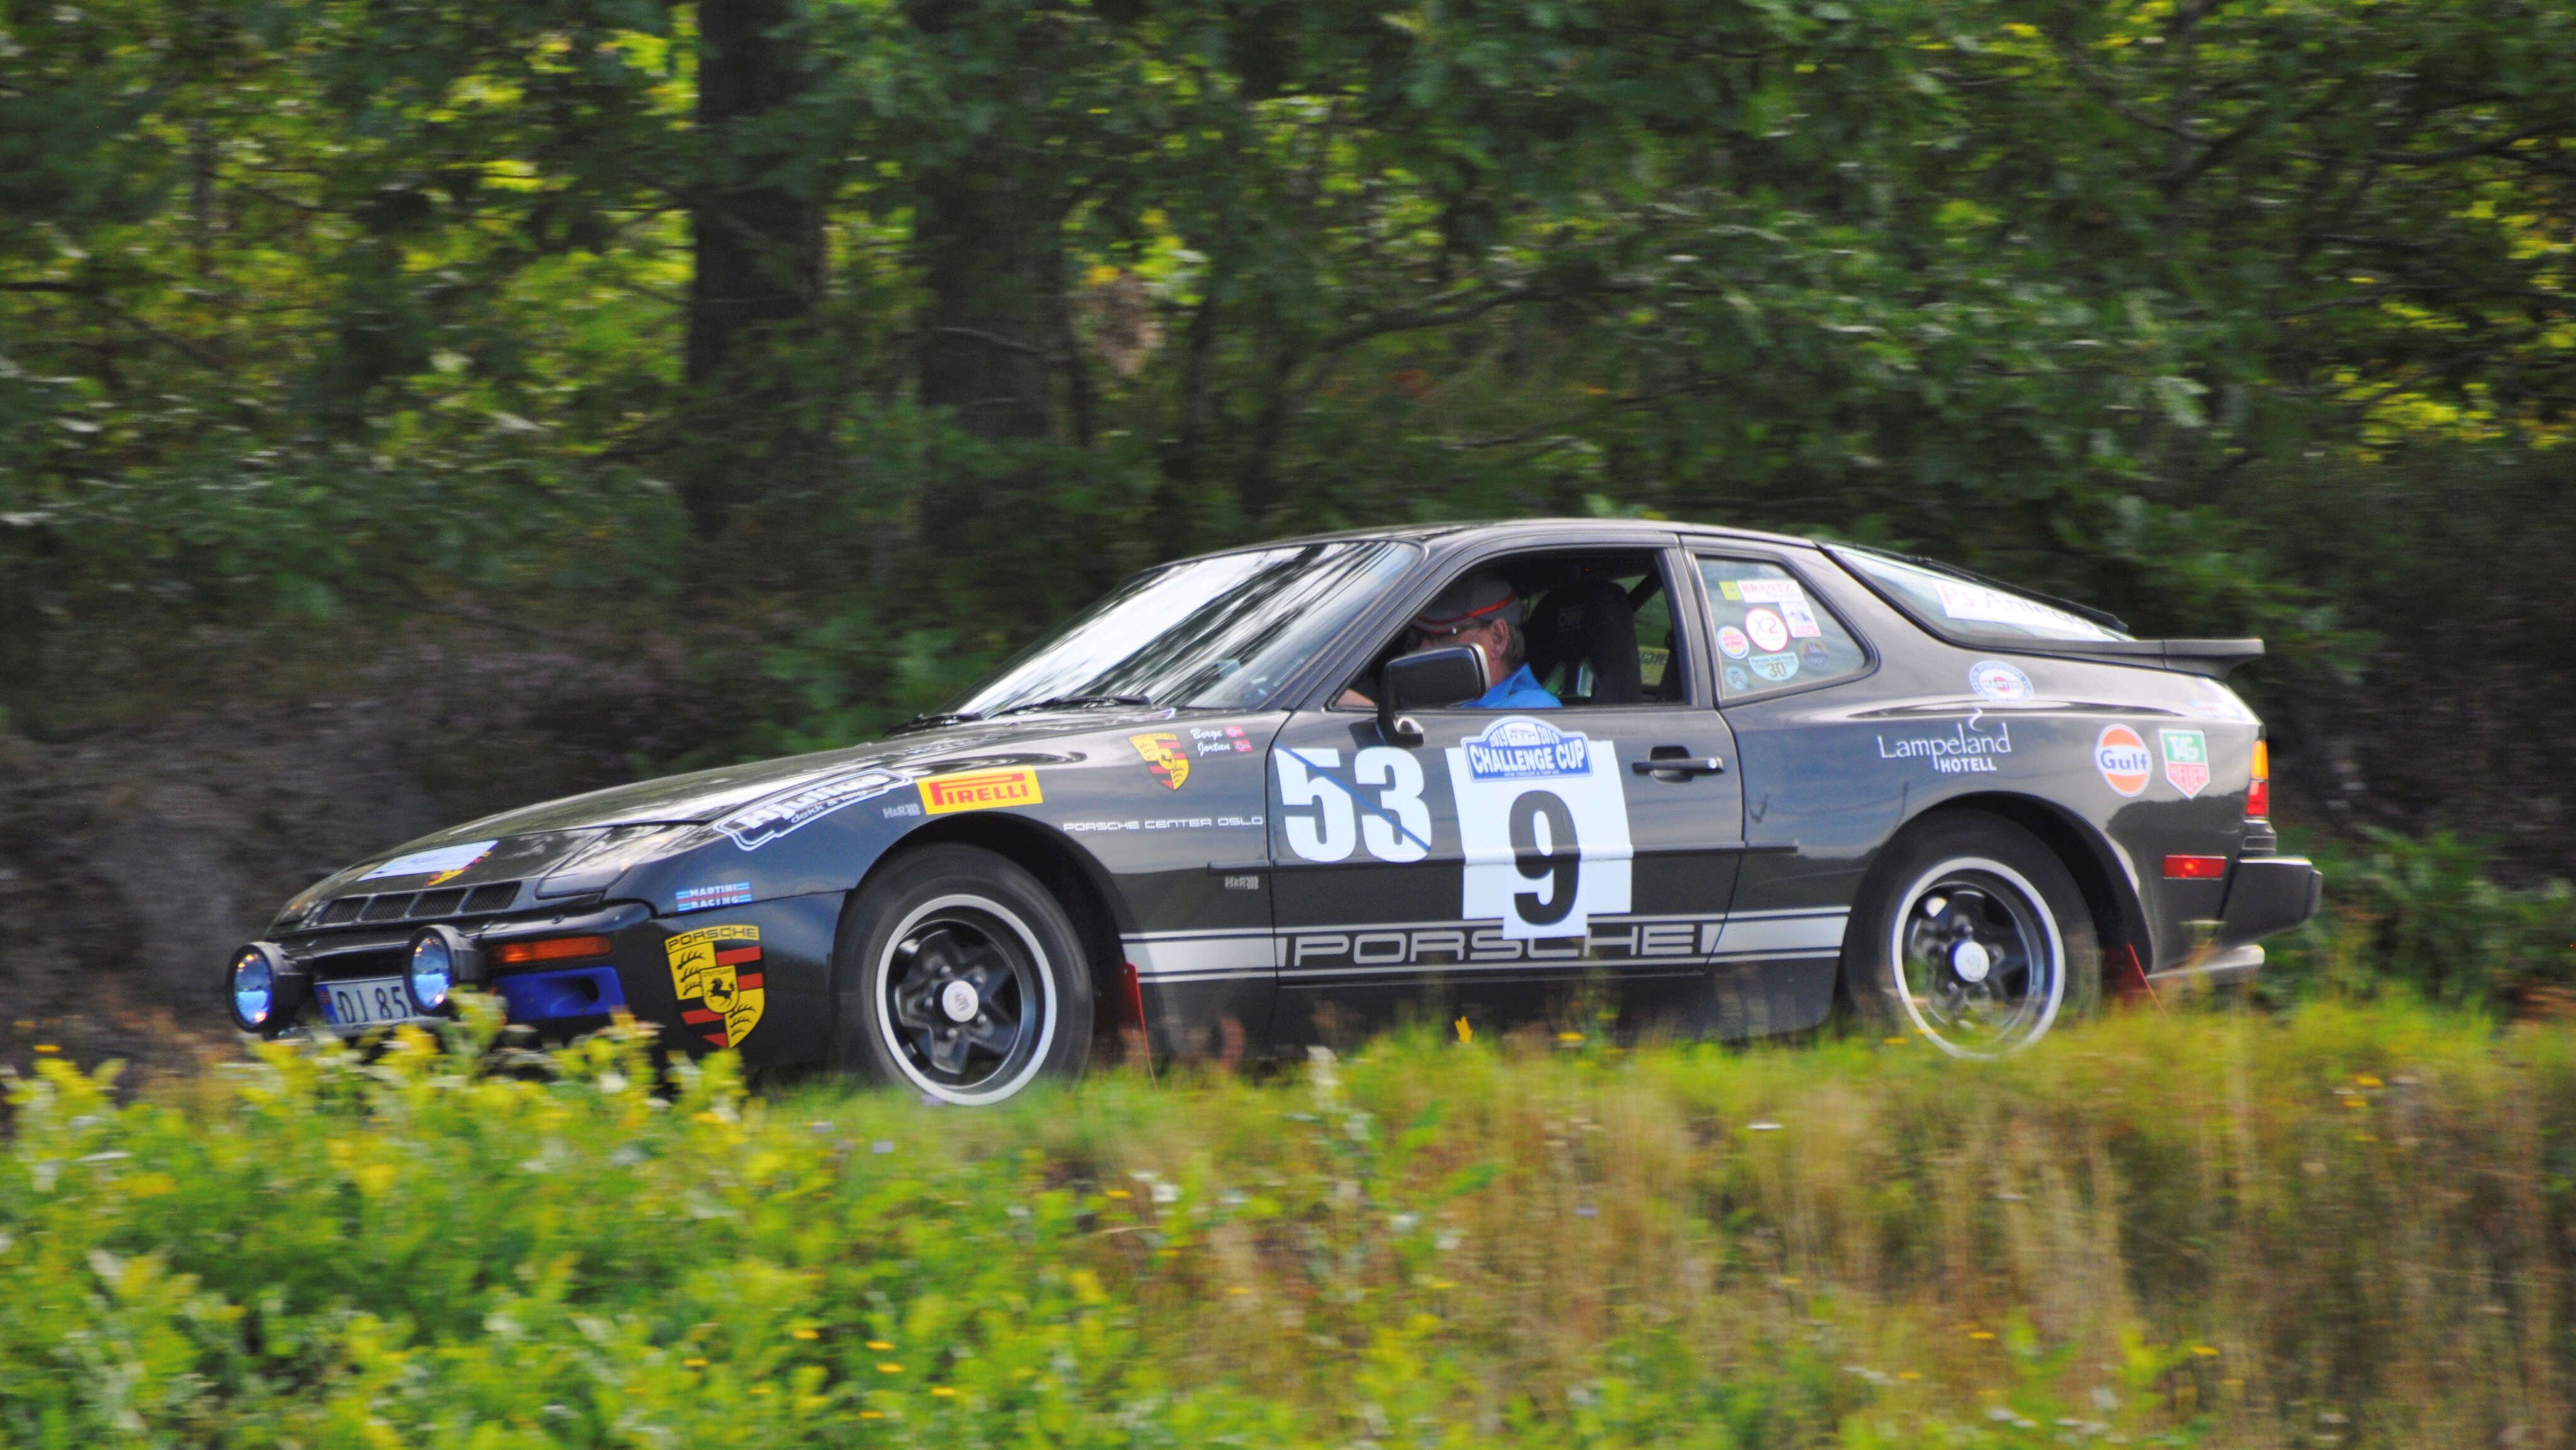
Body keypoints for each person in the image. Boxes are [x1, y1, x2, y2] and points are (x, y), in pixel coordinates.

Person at [1344, 572, 1561, 710]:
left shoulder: (1533, 709)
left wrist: (1369, 712)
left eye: (1445, 635)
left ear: (1498, 638)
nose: (1424, 647)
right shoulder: (1439, 698)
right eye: (1419, 637)